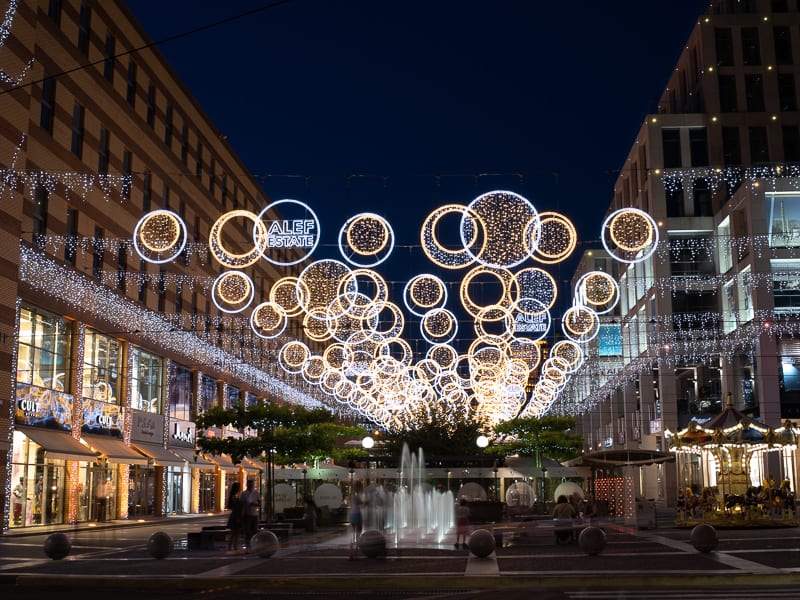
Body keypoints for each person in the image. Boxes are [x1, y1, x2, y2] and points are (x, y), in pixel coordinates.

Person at [239, 479, 260, 552]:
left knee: (254, 531)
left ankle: (254, 546)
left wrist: (255, 504)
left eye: (252, 484)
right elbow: (240, 504)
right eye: (249, 484)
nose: (250, 486)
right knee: (247, 532)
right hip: (246, 514)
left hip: (254, 514)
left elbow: (259, 503)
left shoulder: (256, 493)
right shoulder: (243, 494)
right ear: (247, 485)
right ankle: (248, 547)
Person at [225, 482, 242, 553]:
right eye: (239, 487)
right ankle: (231, 547)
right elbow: (236, 507)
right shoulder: (234, 497)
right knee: (234, 533)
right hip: (235, 516)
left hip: (235, 515)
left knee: (235, 533)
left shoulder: (234, 496)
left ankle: (234, 547)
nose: (240, 488)